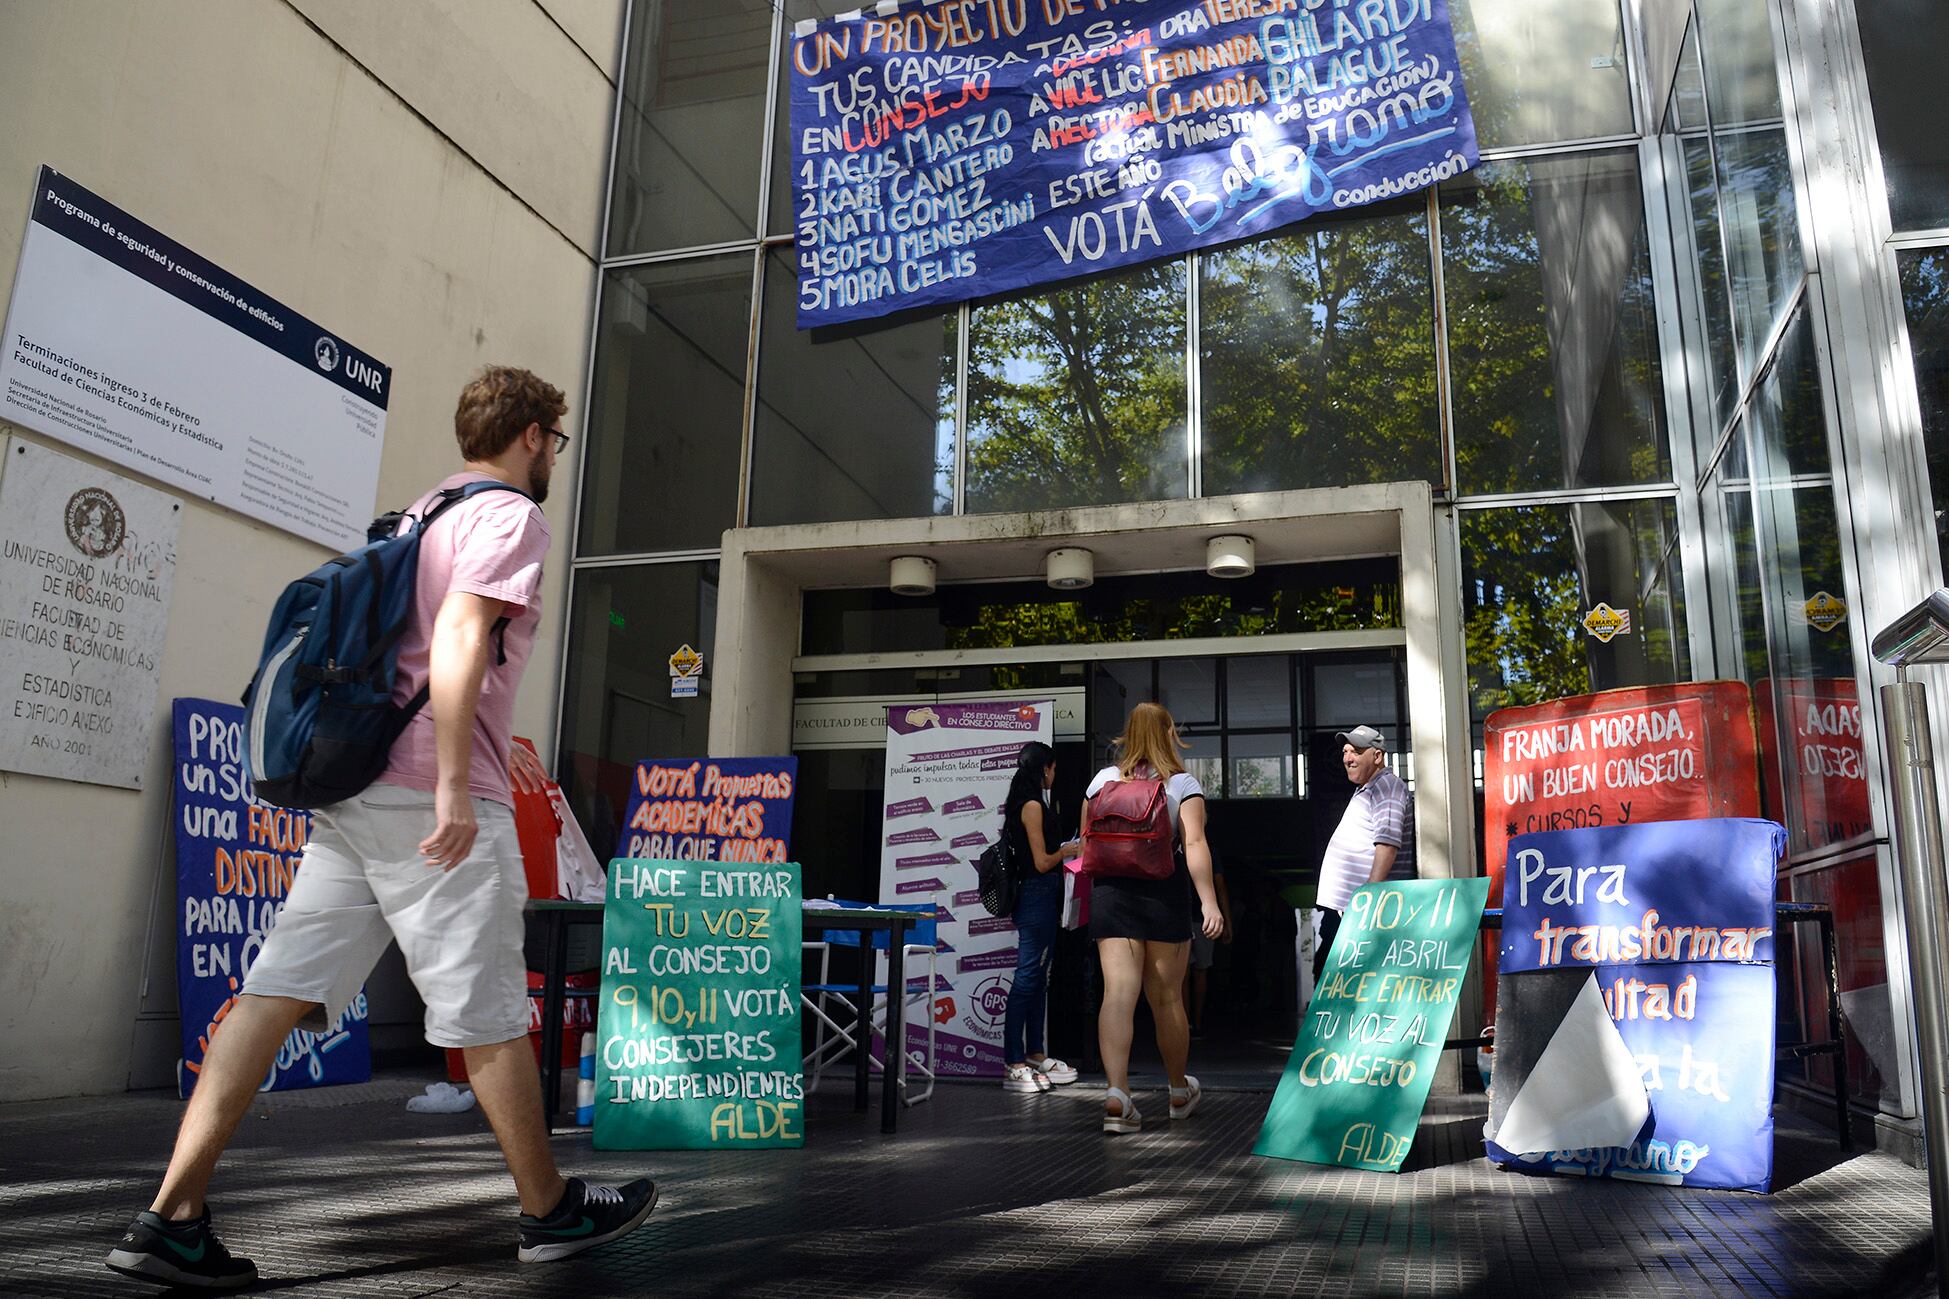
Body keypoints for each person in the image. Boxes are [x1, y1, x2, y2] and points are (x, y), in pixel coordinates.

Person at [106, 368, 656, 1290]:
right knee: (485, 1007)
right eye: (553, 440)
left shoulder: (422, 512)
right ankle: (548, 1208)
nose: (552, 454)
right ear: (531, 435)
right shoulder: (508, 517)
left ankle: (170, 1216)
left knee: (270, 994)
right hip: (426, 796)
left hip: (354, 793)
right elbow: (460, 639)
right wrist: (448, 785)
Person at [1085, 703, 1223, 1134]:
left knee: (1118, 994)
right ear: (1168, 735)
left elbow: (1085, 842)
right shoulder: (1181, 783)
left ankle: (1117, 1095)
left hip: (1111, 894)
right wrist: (1210, 903)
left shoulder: (1102, 781)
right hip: (1162, 894)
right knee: (1166, 998)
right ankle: (1179, 1091)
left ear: (1127, 734)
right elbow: (1195, 844)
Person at [999, 742, 1083, 1092]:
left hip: (1043, 897)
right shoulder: (1032, 806)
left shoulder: (1032, 802)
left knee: (1037, 977)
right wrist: (1067, 850)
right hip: (1036, 896)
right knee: (1027, 977)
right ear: (1044, 769)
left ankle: (1034, 1052)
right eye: (1052, 768)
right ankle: (1013, 1061)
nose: (1055, 774)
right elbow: (1041, 862)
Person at [1307, 725, 1411, 985]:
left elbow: (1387, 843)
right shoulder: (1369, 787)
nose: (1347, 758)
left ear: (1377, 756)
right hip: (1353, 910)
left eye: (1356, 751)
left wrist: (1370, 897)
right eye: (1345, 751)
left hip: (1366, 912)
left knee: (1356, 983)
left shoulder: (1386, 786)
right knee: (1343, 983)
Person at [1184, 855, 1232, 1038]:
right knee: (1199, 971)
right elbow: (1220, 888)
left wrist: (1227, 922)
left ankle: (1189, 1022)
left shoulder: (1175, 846)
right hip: (1200, 917)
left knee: (1186, 973)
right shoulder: (1210, 853)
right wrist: (1227, 922)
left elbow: (1220, 888)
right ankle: (1195, 1022)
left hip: (1193, 918)